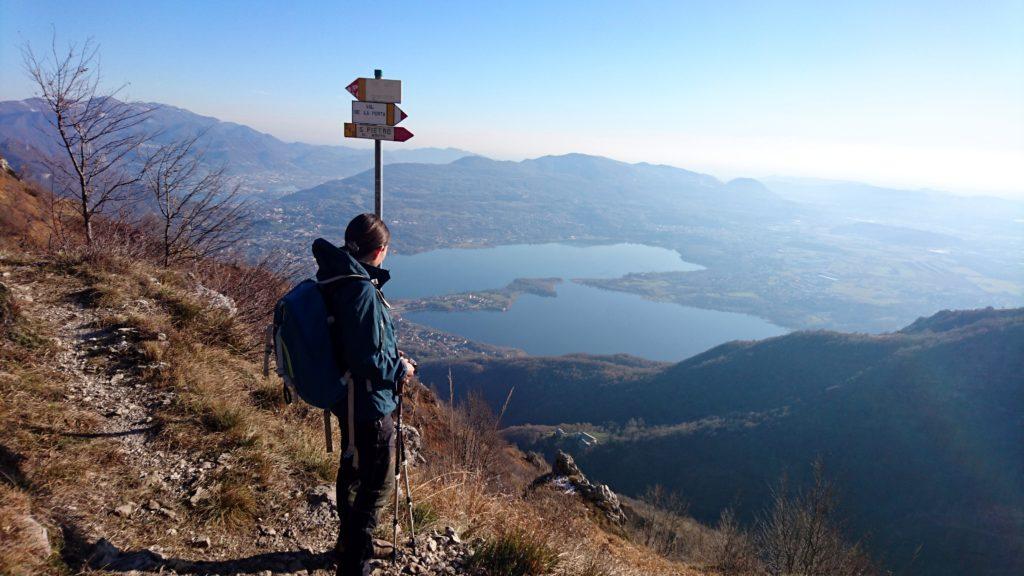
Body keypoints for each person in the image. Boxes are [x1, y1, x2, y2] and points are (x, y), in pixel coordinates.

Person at [311, 213, 415, 576]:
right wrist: (399, 368)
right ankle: (356, 563)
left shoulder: (335, 276)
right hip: (368, 403)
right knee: (378, 484)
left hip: (348, 396)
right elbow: (366, 357)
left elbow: (355, 344)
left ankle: (349, 542)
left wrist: (390, 357)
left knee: (353, 470)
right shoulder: (360, 290)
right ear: (381, 251)